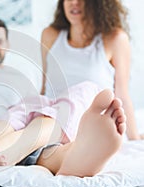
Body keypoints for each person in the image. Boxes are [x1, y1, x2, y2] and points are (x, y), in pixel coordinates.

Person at [40, 0, 144, 140]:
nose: (74, 2)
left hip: (90, 127)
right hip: (50, 122)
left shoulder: (115, 39)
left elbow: (122, 96)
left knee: (82, 92)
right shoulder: (50, 35)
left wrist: (134, 137)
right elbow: (44, 88)